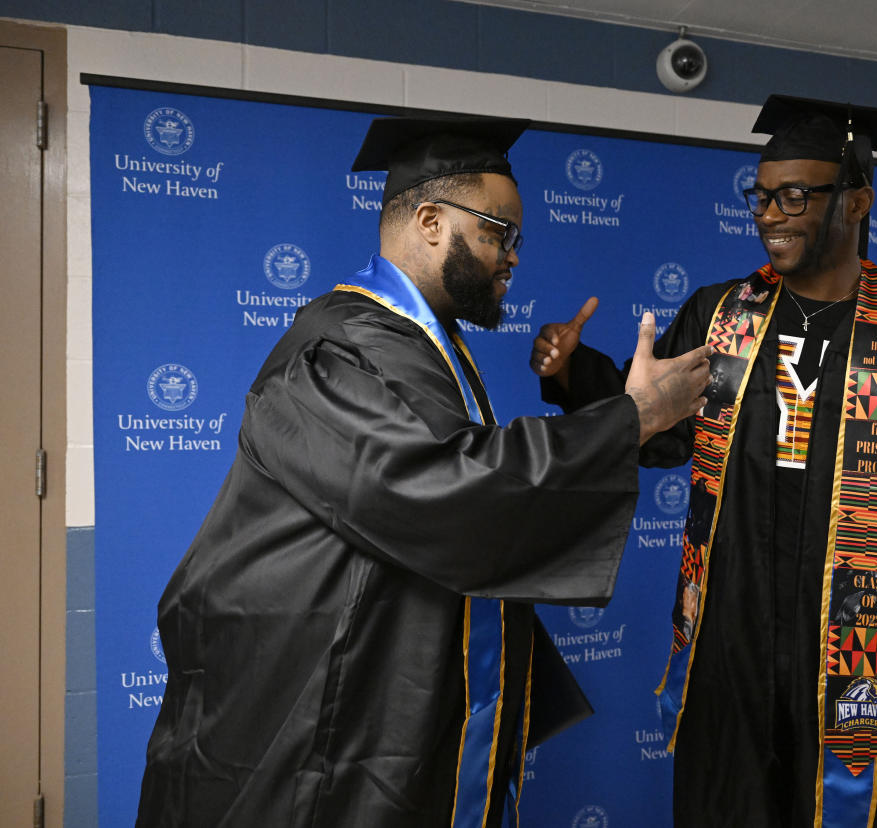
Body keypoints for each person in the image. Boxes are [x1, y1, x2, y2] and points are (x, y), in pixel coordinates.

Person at [134, 114, 712, 828]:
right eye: (500, 233)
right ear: (432, 220)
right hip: (311, 719)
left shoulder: (423, 343)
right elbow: (450, 492)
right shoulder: (340, 349)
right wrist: (631, 418)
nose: (514, 258)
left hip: (382, 698)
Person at [529, 94, 877, 828]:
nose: (770, 213)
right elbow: (661, 423)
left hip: (869, 643)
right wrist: (574, 373)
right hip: (733, 634)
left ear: (858, 202)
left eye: (796, 195)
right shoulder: (722, 318)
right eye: (762, 195)